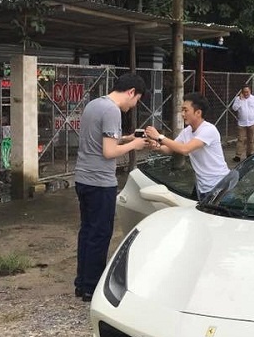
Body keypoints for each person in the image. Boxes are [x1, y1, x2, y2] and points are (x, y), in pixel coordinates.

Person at [74, 73, 148, 302]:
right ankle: (92, 288)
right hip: (100, 182)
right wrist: (135, 145)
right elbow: (108, 152)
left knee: (87, 231)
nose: (133, 106)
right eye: (136, 100)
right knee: (100, 234)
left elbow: (101, 142)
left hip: (83, 178)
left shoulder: (95, 105)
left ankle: (82, 284)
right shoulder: (112, 110)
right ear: (131, 92)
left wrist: (125, 138)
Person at [144, 92, 229, 202]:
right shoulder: (187, 131)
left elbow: (185, 149)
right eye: (182, 110)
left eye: (186, 110)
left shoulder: (208, 130)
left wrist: (159, 137)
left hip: (219, 185)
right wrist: (157, 147)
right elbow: (171, 149)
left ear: (198, 112)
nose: (182, 114)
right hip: (201, 185)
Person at [231, 85, 254, 162]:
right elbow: (234, 108)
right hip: (242, 123)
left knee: (250, 140)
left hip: (252, 123)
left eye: (247, 92)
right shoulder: (238, 99)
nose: (246, 93)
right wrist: (240, 100)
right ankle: (238, 156)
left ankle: (249, 154)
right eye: (244, 92)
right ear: (242, 92)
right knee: (240, 139)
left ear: (250, 91)